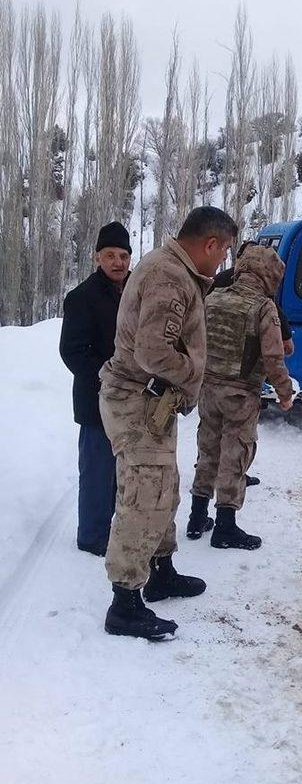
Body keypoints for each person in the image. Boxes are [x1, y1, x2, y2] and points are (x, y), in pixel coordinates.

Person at [99, 206, 237, 640]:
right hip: (137, 400)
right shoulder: (170, 277)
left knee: (163, 488)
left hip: (152, 402)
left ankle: (161, 571)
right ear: (210, 243)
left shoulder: (175, 270)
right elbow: (153, 353)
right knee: (143, 495)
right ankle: (124, 602)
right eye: (224, 251)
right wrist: (194, 372)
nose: (223, 261)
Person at [187, 244, 294, 546]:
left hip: (207, 390)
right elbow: (273, 358)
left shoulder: (214, 297)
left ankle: (196, 518)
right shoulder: (263, 307)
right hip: (240, 395)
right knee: (235, 457)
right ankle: (224, 527)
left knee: (207, 452)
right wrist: (285, 393)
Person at [60, 221, 132, 556]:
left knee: (122, 470)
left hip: (131, 402)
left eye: (123, 255)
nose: (118, 262)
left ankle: (114, 526)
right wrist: (108, 379)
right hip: (96, 401)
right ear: (96, 258)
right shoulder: (81, 298)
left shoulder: (134, 293)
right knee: (96, 472)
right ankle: (91, 537)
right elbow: (72, 350)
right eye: (110, 255)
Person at [209, 240, 294, 491]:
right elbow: (273, 355)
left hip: (211, 383)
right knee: (236, 448)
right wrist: (285, 392)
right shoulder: (261, 300)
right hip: (241, 386)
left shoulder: (217, 290)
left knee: (209, 445)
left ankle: (198, 512)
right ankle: (226, 518)